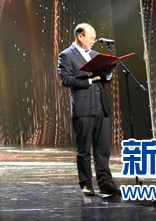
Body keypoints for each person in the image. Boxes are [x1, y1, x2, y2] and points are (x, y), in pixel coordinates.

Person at [58, 23, 119, 197]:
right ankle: (86, 184)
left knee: (102, 149)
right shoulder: (66, 55)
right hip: (83, 107)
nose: (94, 41)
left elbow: (104, 79)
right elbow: (66, 80)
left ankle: (106, 183)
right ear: (80, 36)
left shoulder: (95, 55)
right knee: (84, 149)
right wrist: (90, 80)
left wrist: (108, 73)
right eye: (91, 38)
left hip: (100, 106)